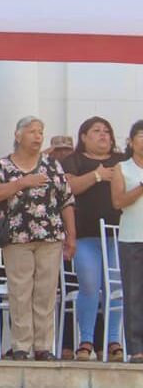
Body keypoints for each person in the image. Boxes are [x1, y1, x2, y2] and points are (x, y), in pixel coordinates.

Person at [0, 115, 76, 361]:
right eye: (32, 131)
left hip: (50, 236)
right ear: (18, 135)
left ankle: (43, 346)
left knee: (46, 292)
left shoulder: (51, 165)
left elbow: (66, 199)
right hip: (17, 237)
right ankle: (21, 346)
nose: (38, 136)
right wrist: (23, 182)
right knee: (20, 291)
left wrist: (72, 235)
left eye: (40, 131)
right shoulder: (4, 165)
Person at [60, 116, 124, 361]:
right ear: (84, 136)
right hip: (85, 236)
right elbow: (68, 188)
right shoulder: (73, 160)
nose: (103, 135)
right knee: (88, 286)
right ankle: (86, 340)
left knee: (116, 289)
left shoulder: (121, 161)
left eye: (107, 131)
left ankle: (113, 341)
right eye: (96, 131)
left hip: (118, 236)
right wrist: (97, 176)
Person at [111, 120, 143, 364]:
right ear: (131, 141)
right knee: (133, 294)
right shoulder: (122, 168)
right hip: (132, 237)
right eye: (140, 136)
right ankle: (136, 348)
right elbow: (118, 202)